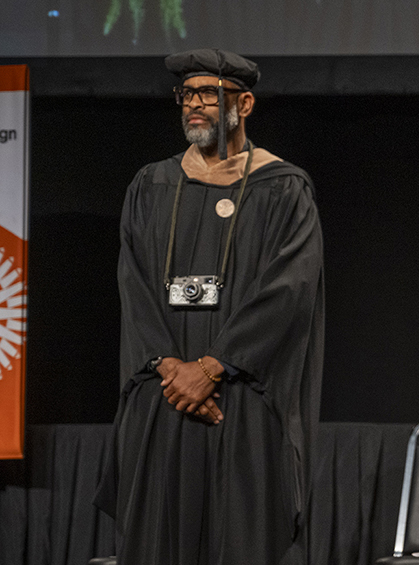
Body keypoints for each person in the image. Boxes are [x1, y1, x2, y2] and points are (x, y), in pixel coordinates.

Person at [95, 49, 325, 565]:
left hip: (240, 399)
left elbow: (288, 291)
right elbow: (133, 285)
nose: (193, 106)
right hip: (165, 394)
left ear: (243, 103)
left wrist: (213, 367)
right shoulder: (152, 185)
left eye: (208, 95)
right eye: (186, 95)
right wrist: (170, 367)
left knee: (238, 541)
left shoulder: (282, 188)